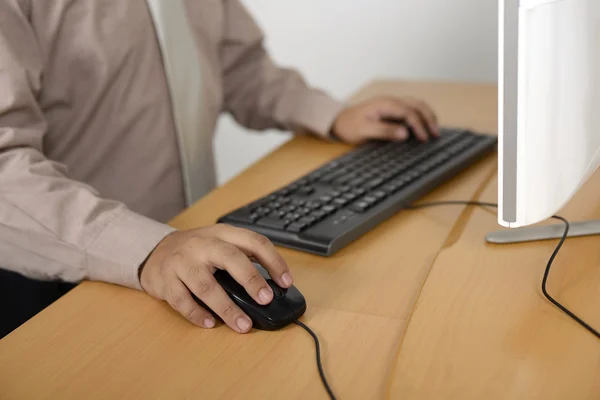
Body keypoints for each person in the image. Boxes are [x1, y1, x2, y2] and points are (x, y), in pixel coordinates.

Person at [0, 0, 439, 337]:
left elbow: (237, 67)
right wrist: (147, 249)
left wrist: (328, 114)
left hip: (189, 248)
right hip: (64, 274)